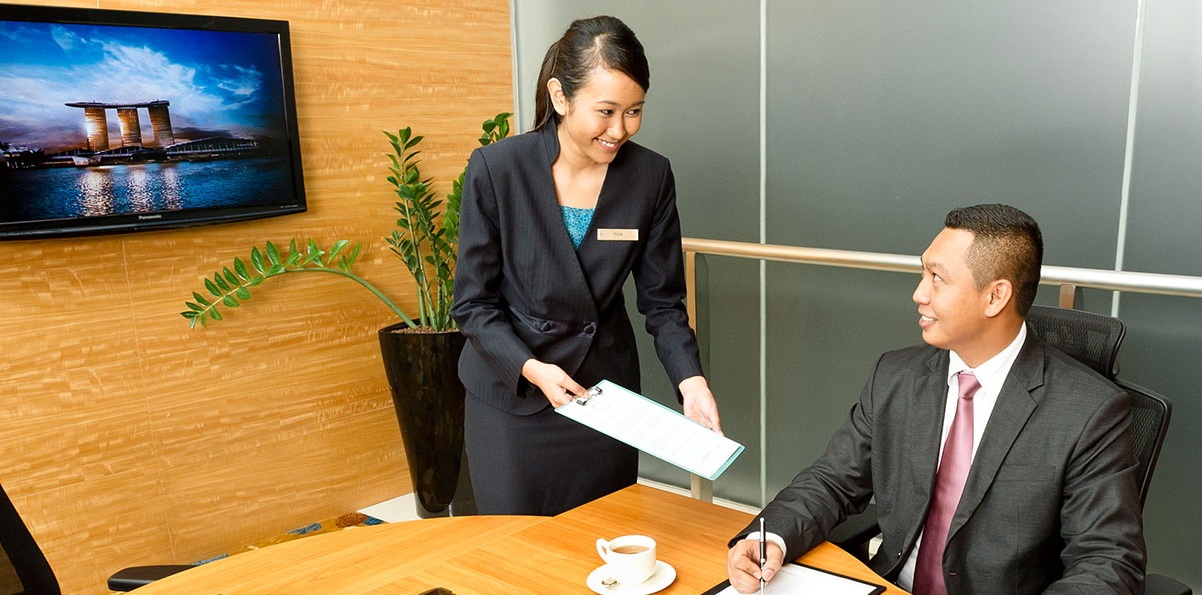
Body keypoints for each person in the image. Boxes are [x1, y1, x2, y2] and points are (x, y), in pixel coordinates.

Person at [721, 205, 1145, 595]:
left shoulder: (1089, 412)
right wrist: (769, 537)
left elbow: (1107, 564)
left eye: (937, 278)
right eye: (922, 274)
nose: (919, 294)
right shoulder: (896, 376)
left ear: (995, 296)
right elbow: (832, 481)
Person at [452, 15, 721, 516]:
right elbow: (473, 305)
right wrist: (532, 368)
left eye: (634, 111)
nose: (620, 130)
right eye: (606, 111)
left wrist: (691, 381)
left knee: (602, 541)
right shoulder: (498, 169)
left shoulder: (650, 177)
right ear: (560, 97)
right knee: (516, 546)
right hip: (513, 394)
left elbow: (663, 303)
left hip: (603, 398)